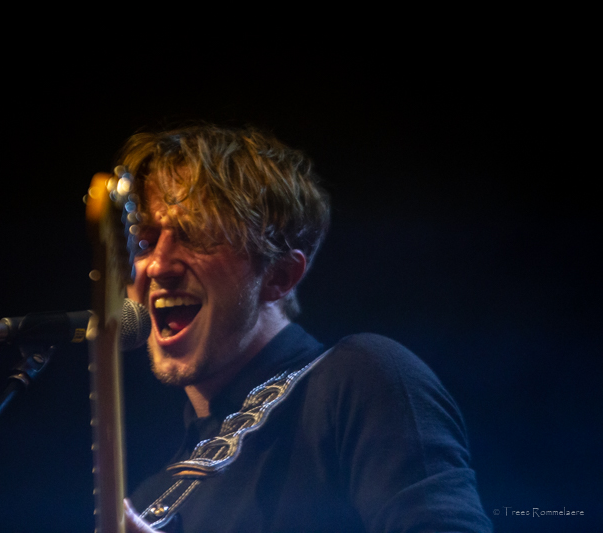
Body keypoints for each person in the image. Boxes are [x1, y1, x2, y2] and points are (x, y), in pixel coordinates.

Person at [118, 124, 491, 532]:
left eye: (195, 235)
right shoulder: (149, 499)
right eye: (145, 242)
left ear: (279, 275)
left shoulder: (361, 379)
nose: (158, 265)